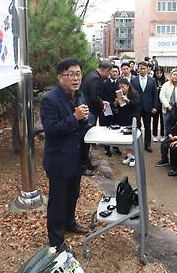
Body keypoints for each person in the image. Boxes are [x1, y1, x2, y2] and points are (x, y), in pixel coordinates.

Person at [40, 58, 91, 251]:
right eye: (71, 74)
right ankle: (56, 241)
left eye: (78, 74)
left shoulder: (79, 95)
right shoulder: (50, 100)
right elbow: (51, 130)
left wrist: (85, 118)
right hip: (59, 159)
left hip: (77, 157)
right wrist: (75, 117)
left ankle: (70, 223)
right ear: (60, 77)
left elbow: (87, 118)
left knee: (73, 195)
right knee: (58, 201)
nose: (76, 78)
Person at [80, 60, 112, 174]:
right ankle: (83, 166)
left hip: (90, 111)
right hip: (90, 112)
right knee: (86, 139)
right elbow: (94, 97)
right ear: (106, 70)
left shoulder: (92, 75)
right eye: (109, 72)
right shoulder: (95, 78)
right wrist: (102, 103)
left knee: (87, 140)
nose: (109, 75)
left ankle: (88, 163)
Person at [131, 61, 159, 152]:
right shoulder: (133, 80)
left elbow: (155, 94)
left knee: (147, 127)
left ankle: (147, 144)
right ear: (138, 69)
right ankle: (137, 144)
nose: (142, 70)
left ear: (148, 69)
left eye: (144, 68)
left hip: (148, 107)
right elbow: (131, 94)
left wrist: (155, 106)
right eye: (140, 68)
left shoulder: (152, 80)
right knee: (137, 126)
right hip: (137, 107)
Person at [115, 78, 140, 167]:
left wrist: (127, 100)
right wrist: (116, 102)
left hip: (133, 117)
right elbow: (119, 107)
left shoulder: (134, 93)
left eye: (123, 86)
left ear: (128, 86)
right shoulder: (119, 93)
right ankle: (129, 154)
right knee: (125, 136)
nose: (121, 88)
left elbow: (136, 104)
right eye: (120, 87)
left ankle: (134, 155)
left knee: (132, 137)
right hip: (123, 117)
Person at [100, 65, 121, 156]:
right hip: (107, 109)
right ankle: (107, 148)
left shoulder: (121, 83)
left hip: (118, 110)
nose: (114, 73)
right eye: (113, 71)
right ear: (109, 72)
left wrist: (117, 106)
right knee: (106, 129)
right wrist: (112, 105)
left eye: (116, 71)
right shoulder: (104, 83)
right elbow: (102, 97)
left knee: (117, 129)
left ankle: (116, 147)